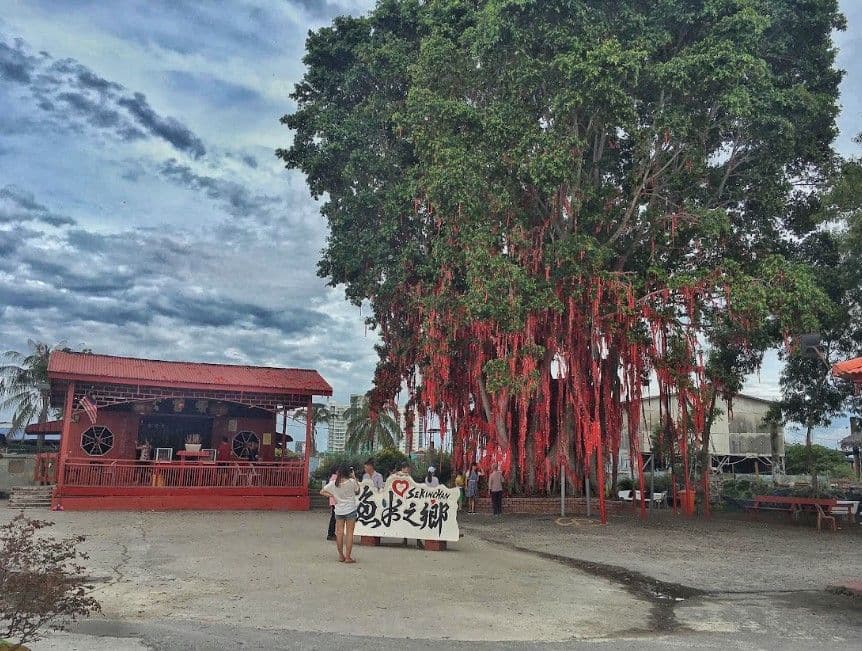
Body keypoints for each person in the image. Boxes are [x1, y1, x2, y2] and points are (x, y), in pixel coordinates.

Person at [320, 464, 361, 563]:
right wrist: (354, 477)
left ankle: (341, 556)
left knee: (339, 533)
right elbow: (358, 491)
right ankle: (348, 557)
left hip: (339, 510)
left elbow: (322, 491)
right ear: (348, 472)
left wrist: (333, 495)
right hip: (350, 509)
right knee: (349, 533)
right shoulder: (351, 482)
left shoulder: (333, 483)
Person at [326, 472, 337, 541]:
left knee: (334, 518)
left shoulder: (332, 477)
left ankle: (331, 533)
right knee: (334, 518)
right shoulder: (335, 478)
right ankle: (330, 534)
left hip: (334, 501)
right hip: (335, 501)